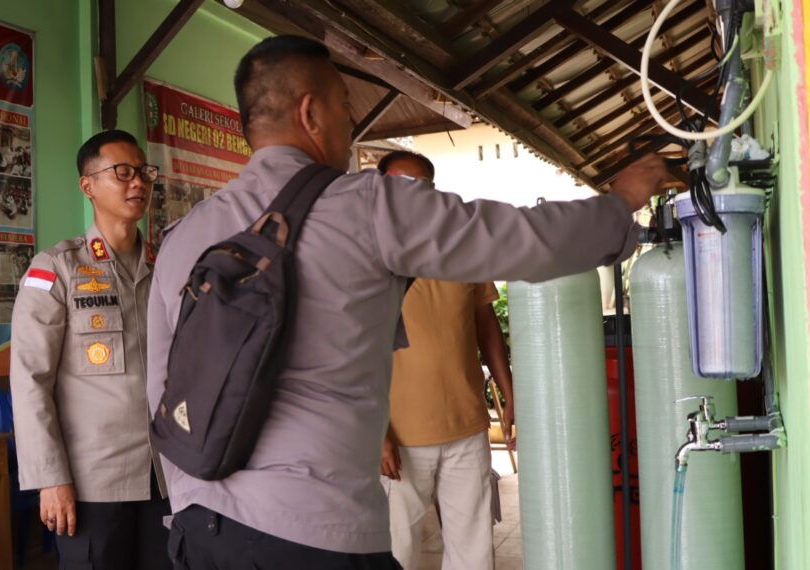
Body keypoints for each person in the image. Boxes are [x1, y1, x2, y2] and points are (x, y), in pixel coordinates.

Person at [146, 35, 667, 568]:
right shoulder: (368, 207)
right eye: (345, 107)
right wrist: (621, 202)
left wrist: (190, 505)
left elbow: (161, 392)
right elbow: (526, 239)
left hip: (202, 530)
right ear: (311, 112)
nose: (351, 125)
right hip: (316, 533)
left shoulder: (184, 237)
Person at [10, 129, 171, 570]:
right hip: (92, 483)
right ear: (88, 186)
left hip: (165, 477)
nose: (137, 182)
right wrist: (50, 478)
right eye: (122, 172)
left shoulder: (166, 267)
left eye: (143, 172)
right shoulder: (58, 268)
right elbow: (29, 381)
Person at [376, 151, 514, 570]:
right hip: (399, 435)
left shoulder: (461, 247)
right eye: (404, 184)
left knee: (474, 549)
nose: (415, 194)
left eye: (424, 185)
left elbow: (484, 321)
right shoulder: (369, 253)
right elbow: (350, 349)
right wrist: (377, 432)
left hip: (466, 427)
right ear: (381, 189)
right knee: (397, 550)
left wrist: (511, 394)